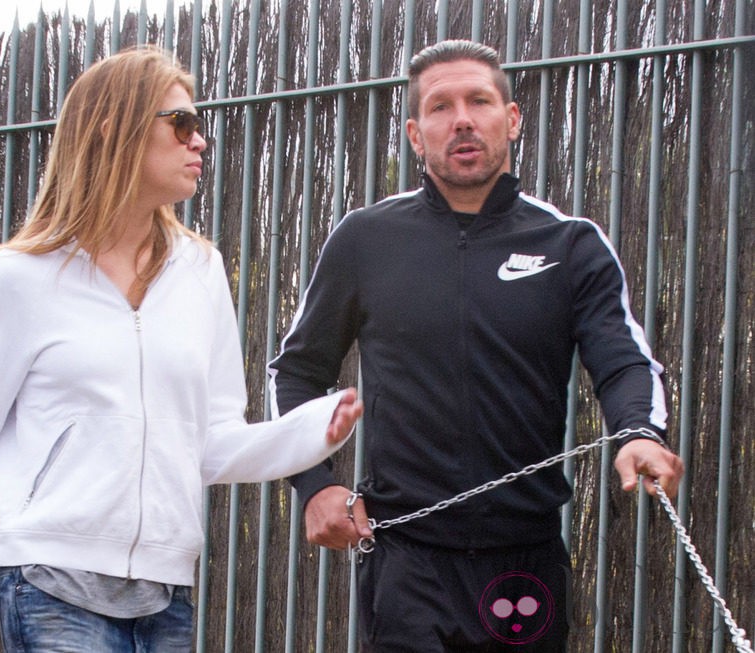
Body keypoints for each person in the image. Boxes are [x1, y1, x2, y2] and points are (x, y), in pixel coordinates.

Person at [0, 45, 363, 652]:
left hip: (165, 594)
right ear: (113, 131)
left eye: (198, 126)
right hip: (51, 583)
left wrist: (314, 430)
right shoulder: (19, 280)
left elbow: (208, 442)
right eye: (180, 123)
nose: (199, 141)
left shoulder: (200, 272)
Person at [268, 40, 684, 652]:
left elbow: (624, 359)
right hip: (406, 562)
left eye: (479, 101)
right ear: (416, 134)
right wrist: (315, 485)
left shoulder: (571, 244)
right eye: (440, 107)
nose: (461, 118)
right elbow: (295, 371)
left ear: (511, 119)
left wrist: (639, 434)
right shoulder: (365, 239)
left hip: (525, 561)